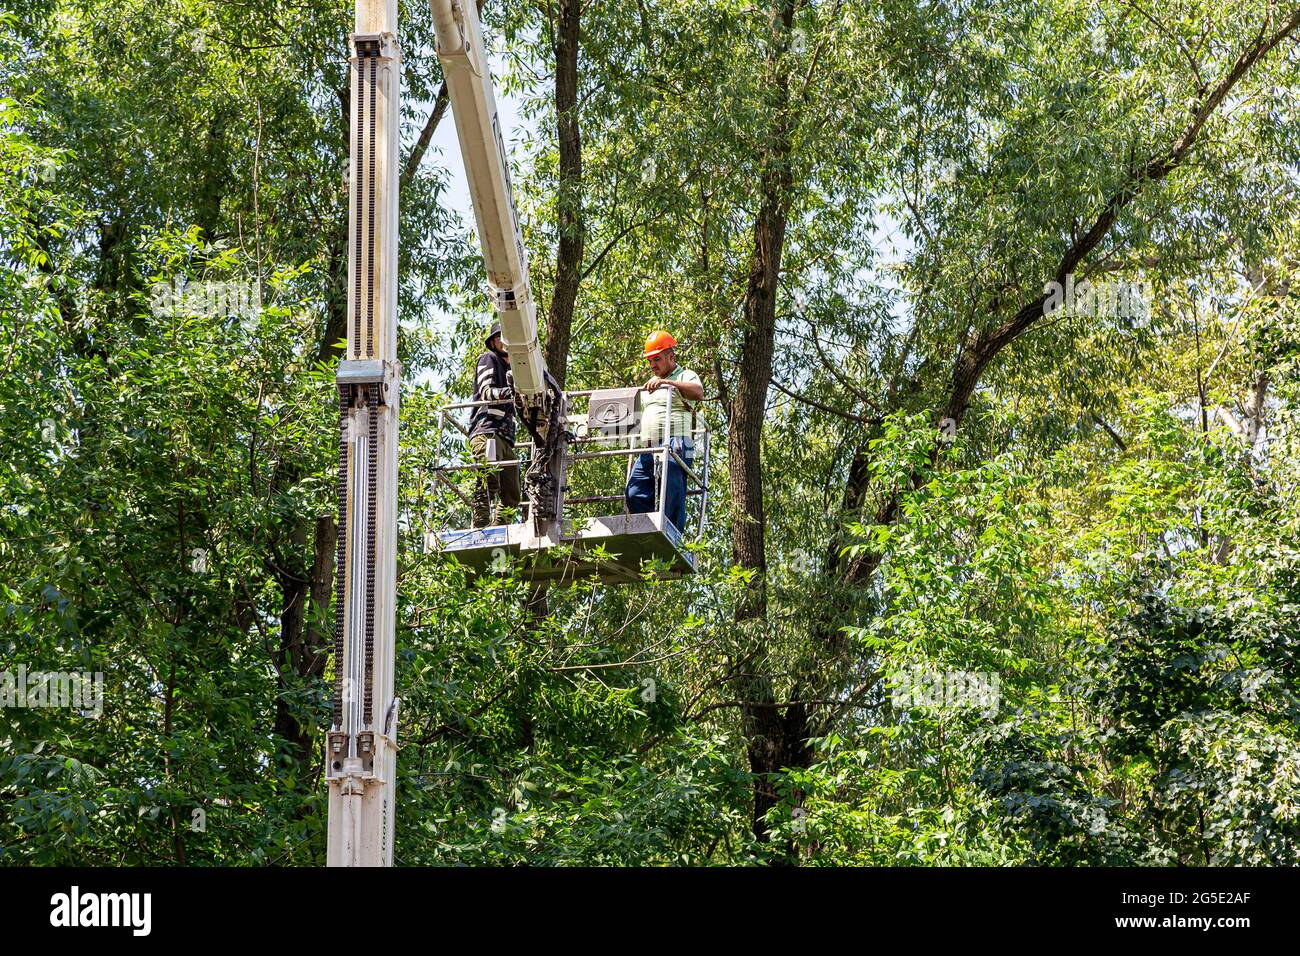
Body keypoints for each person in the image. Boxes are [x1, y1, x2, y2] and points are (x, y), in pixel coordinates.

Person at [625, 330, 704, 533]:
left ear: (671, 356)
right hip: (649, 447)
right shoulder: (650, 385)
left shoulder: (685, 375)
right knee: (634, 492)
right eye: (650, 361)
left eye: (657, 359)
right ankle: (648, 530)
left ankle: (672, 534)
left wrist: (668, 383)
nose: (652, 365)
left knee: (672, 486)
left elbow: (698, 392)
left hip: (677, 442)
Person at [468, 323, 521, 527]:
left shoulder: (516, 369)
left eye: (506, 336)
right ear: (492, 342)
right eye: (499, 337)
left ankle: (498, 528)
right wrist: (510, 393)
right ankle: (480, 526)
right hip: (487, 430)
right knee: (489, 478)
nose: (503, 341)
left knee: (512, 493)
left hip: (506, 437)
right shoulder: (488, 359)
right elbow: (486, 391)